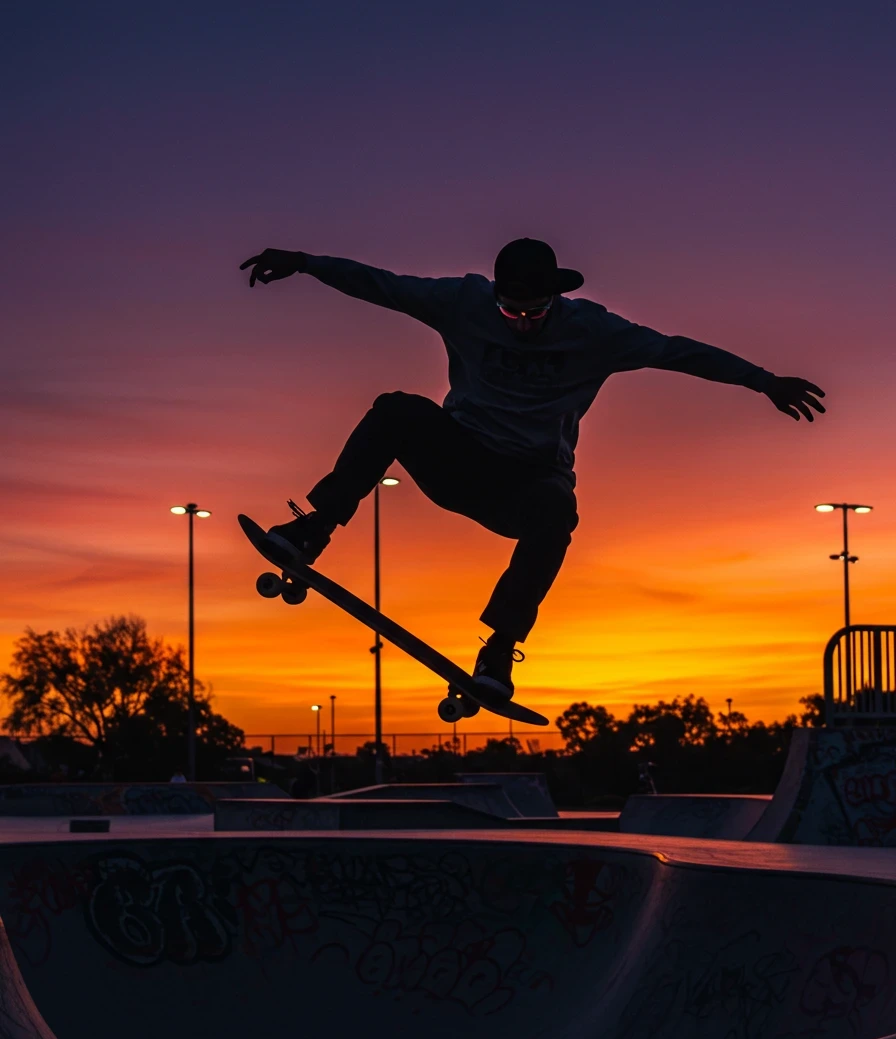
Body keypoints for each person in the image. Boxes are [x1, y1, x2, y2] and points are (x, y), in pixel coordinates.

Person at [239, 239, 825, 699]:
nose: (520, 322)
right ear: (494, 294)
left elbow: (678, 351)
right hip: (459, 459)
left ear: (555, 299)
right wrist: (306, 263)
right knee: (397, 410)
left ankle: (499, 648)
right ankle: (314, 529)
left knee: (558, 508)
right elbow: (381, 285)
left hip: (524, 484)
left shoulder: (596, 332)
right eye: (509, 310)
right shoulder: (461, 302)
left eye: (534, 311)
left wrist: (763, 380)